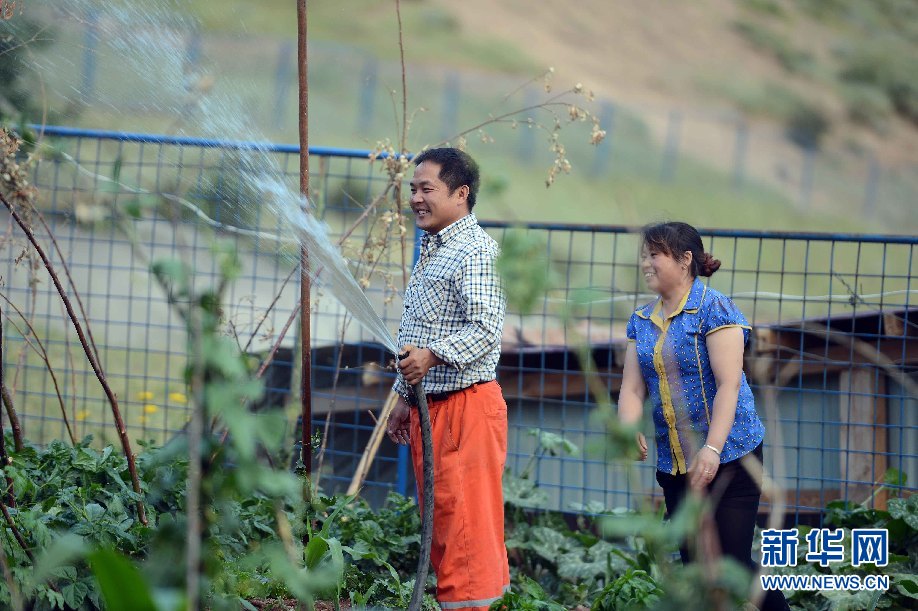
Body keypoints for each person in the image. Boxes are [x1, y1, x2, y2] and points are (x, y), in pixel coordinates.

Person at [618, 222, 789, 611]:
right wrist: (628, 428)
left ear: (684, 260)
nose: (645, 263)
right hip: (677, 463)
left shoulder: (714, 308)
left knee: (731, 565)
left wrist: (712, 449)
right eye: (643, 255)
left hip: (731, 456)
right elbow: (631, 389)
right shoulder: (641, 321)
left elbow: (730, 384)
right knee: (697, 568)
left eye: (654, 255)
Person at [386, 147, 510, 611]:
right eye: (413, 189)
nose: (416, 198)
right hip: (433, 409)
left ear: (461, 194)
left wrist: (433, 356)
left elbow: (485, 330)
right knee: (444, 527)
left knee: (465, 534)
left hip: (465, 410)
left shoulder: (474, 250)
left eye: (427, 189)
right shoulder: (435, 247)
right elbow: (420, 332)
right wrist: (404, 396)